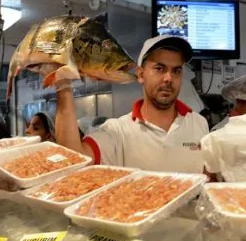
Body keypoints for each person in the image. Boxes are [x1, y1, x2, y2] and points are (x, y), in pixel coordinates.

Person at [55, 35, 209, 173]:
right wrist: (63, 85)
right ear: (141, 74)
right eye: (159, 68)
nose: (169, 78)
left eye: (176, 71)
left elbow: (208, 176)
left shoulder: (198, 123)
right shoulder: (118, 132)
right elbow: (74, 159)